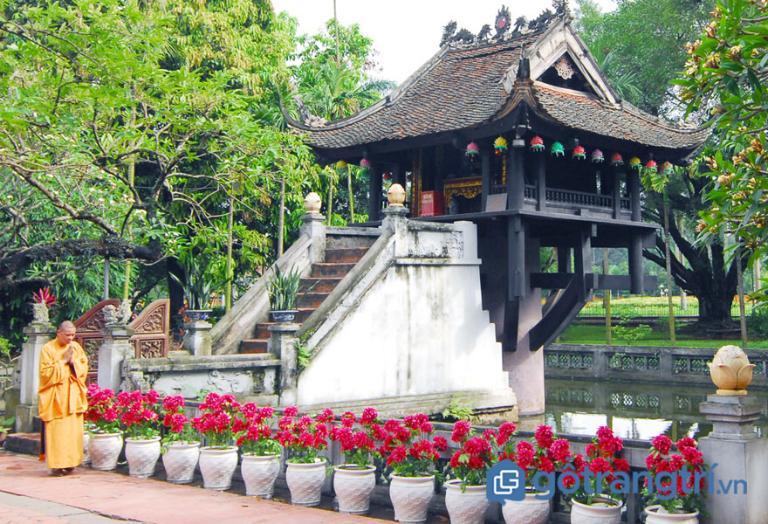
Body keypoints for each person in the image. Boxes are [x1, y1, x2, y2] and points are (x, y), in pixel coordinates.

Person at [38, 320, 88, 476]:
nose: (70, 338)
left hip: (73, 395)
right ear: (58, 333)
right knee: (57, 432)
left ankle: (71, 463)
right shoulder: (48, 349)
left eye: (73, 335)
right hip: (56, 397)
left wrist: (74, 363)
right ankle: (57, 465)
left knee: (73, 432)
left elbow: (84, 367)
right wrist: (63, 361)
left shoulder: (76, 347)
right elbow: (45, 374)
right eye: (67, 335)